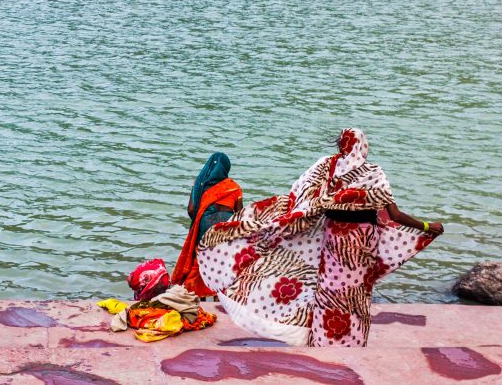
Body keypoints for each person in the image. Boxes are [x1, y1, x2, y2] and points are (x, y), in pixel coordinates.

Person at [197, 129, 443, 347]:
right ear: (364, 147)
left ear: (341, 146)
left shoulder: (327, 168)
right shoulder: (374, 173)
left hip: (334, 237)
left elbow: (300, 197)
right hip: (364, 241)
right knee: (357, 292)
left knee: (330, 288)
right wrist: (426, 226)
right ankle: (353, 341)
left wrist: (289, 219)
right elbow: (395, 215)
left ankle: (324, 338)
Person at [172, 152, 243, 298]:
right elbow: (240, 216)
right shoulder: (234, 188)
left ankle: (199, 302)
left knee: (200, 266)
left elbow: (191, 209)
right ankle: (220, 302)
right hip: (225, 232)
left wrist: (200, 219)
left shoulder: (200, 185)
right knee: (222, 267)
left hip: (204, 229)